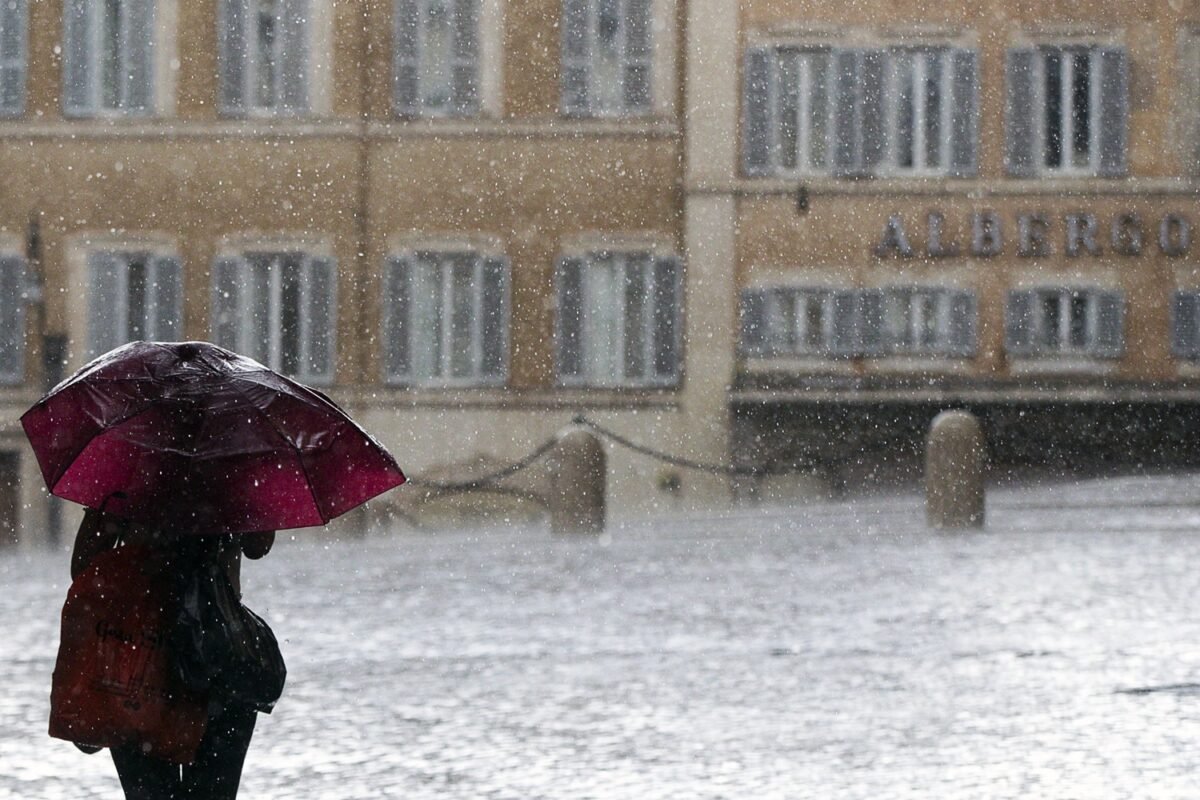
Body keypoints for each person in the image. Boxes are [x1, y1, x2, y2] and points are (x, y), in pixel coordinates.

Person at [70, 507, 276, 800]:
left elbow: (83, 568)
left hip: (142, 655)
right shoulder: (231, 469)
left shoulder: (132, 471)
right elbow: (259, 545)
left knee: (150, 791)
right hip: (216, 652)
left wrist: (117, 518)